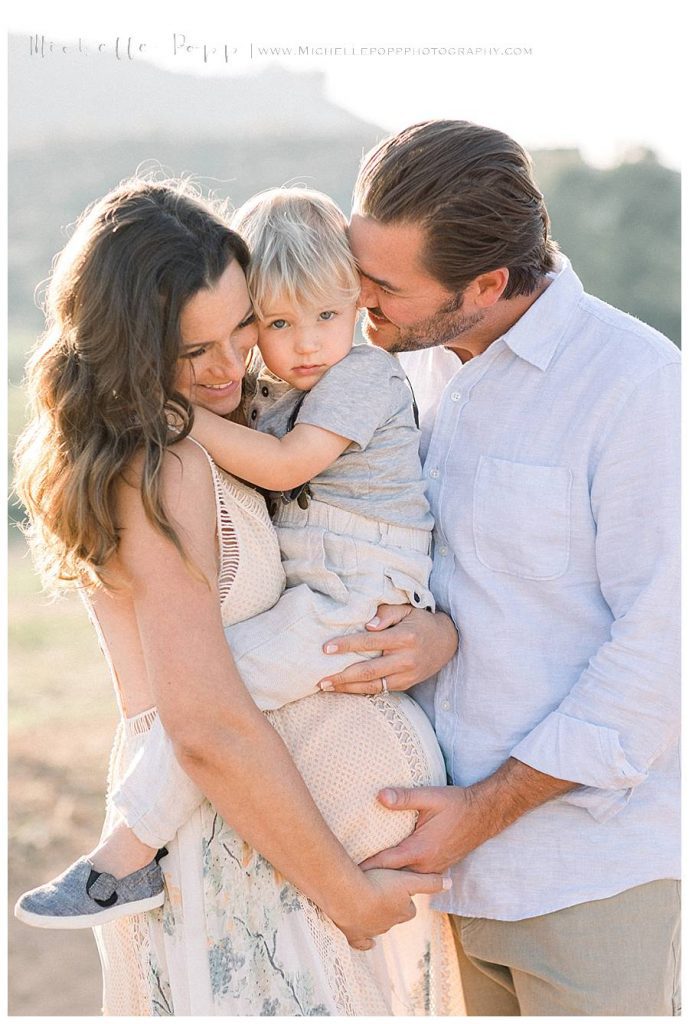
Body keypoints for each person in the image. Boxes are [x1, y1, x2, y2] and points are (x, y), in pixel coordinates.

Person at [12, 178, 465, 1015]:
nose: (230, 368)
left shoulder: (240, 428)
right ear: (133, 353)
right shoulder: (172, 461)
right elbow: (206, 721)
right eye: (193, 353)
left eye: (242, 327)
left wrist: (431, 634)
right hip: (244, 856)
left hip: (283, 853)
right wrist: (342, 891)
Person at [316, 119, 680, 1016]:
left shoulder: (636, 387)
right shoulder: (405, 369)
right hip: (441, 883)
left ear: (487, 283)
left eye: (385, 286)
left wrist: (483, 810)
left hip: (585, 875)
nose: (360, 299)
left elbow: (664, 649)